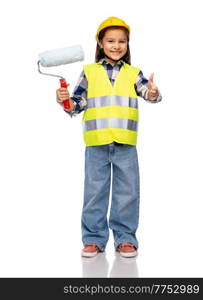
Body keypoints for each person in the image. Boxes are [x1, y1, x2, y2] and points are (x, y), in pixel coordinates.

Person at [56, 17, 162, 258]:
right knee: (95, 191)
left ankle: (125, 238)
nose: (117, 45)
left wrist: (154, 91)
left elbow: (148, 92)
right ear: (101, 44)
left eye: (122, 41)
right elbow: (77, 104)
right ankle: (93, 239)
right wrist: (64, 100)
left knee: (128, 191)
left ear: (128, 44)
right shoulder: (89, 72)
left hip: (125, 143)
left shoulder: (134, 73)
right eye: (111, 40)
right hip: (96, 143)